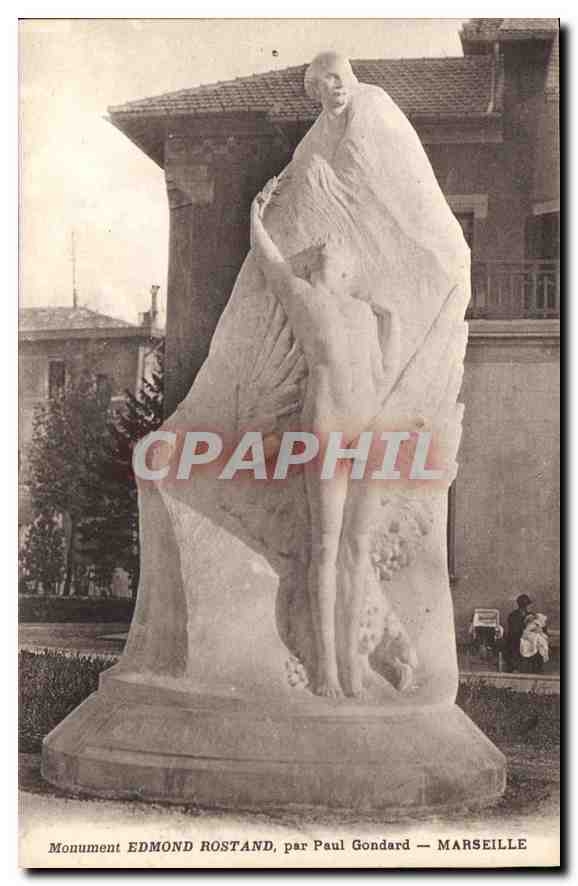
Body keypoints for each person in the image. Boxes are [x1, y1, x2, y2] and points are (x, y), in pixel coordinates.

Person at [250, 179, 399, 698]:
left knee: (358, 546)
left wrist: (393, 322)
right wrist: (256, 216)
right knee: (326, 546)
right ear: (316, 264)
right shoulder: (305, 298)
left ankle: (352, 664)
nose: (330, 248)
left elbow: (382, 375)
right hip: (327, 428)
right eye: (323, 247)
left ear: (348, 267)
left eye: (337, 248)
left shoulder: (362, 313)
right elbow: (271, 264)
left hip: (367, 430)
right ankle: (327, 669)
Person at [504, 594, 533, 672]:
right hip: (515, 638)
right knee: (515, 645)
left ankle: (533, 668)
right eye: (525, 605)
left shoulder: (530, 615)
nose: (526, 607)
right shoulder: (513, 615)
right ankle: (514, 667)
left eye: (526, 605)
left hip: (527, 638)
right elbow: (513, 630)